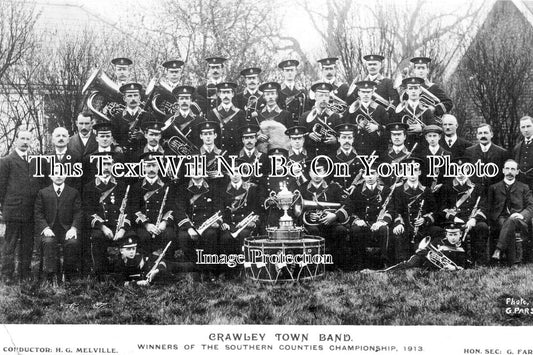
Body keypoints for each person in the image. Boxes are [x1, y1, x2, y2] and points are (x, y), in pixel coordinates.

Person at [0, 130, 44, 283]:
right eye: (22, 139)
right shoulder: (6, 161)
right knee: (10, 243)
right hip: (13, 209)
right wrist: (3, 208)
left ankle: (24, 272)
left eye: (28, 139)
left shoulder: (35, 161)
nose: (25, 142)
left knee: (27, 243)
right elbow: (1, 187)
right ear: (16, 140)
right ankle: (7, 274)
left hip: (30, 210)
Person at [83, 152, 132, 277]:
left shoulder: (121, 185)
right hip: (101, 226)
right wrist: (103, 227)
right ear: (98, 166)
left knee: (131, 236)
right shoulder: (89, 186)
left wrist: (122, 229)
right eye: (103, 164)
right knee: (97, 237)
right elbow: (88, 211)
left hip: (118, 225)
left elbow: (127, 210)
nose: (106, 167)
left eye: (109, 164)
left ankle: (124, 272)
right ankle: (101, 272)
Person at [338, 167, 394, 269]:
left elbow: (391, 209)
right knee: (355, 229)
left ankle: (383, 263)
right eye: (367, 174)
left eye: (372, 173)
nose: (370, 177)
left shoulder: (386, 190)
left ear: (377, 175)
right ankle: (358, 263)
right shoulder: (357, 191)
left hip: (378, 222)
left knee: (384, 229)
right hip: (363, 223)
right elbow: (350, 209)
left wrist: (382, 222)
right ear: (363, 176)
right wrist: (356, 220)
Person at [298, 159, 349, 269]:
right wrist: (307, 216)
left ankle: (337, 265)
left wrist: (335, 215)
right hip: (312, 225)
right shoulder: (302, 188)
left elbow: (348, 204)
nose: (317, 174)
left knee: (341, 231)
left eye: (320, 171)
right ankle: (314, 266)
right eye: (314, 171)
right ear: (309, 172)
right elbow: (297, 209)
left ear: (325, 172)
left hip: (332, 222)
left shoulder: (334, 187)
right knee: (313, 232)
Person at [437, 157, 489, 265]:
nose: (460, 171)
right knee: (453, 229)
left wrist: (474, 219)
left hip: (471, 219)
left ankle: (479, 261)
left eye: (463, 168)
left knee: (482, 227)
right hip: (454, 220)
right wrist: (455, 218)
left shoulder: (477, 186)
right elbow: (442, 209)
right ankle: (458, 261)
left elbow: (484, 206)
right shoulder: (447, 187)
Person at [34, 173, 82, 283]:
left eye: (61, 173)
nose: (58, 176)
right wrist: (45, 228)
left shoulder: (73, 192)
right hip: (50, 230)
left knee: (72, 243)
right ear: (50, 176)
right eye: (55, 173)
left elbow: (78, 213)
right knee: (49, 242)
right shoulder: (43, 192)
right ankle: (51, 276)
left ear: (65, 176)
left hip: (67, 230)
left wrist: (73, 228)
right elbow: (38, 213)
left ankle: (69, 275)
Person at [130, 152, 178, 259]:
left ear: (158, 167)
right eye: (148, 166)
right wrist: (147, 225)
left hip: (162, 223)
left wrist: (164, 223)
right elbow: (134, 209)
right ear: (143, 167)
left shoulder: (167, 185)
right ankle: (147, 264)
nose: (151, 169)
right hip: (145, 225)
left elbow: (172, 207)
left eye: (154, 165)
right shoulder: (137, 187)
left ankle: (167, 264)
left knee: (170, 235)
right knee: (144, 237)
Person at [391, 157, 438, 262]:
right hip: (406, 225)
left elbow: (435, 211)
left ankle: (430, 260)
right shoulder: (399, 190)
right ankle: (402, 263)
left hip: (423, 227)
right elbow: (396, 210)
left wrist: (425, 219)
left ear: (420, 172)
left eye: (415, 170)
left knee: (438, 232)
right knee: (398, 233)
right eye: (409, 170)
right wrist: (399, 223)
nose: (412, 174)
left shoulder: (426, 190)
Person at [489, 159, 533, 265]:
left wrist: (521, 215)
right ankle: (513, 262)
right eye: (507, 168)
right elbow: (489, 207)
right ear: (503, 170)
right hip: (500, 219)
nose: (510, 171)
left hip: (519, 220)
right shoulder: (494, 187)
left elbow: (531, 206)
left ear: (517, 171)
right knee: (509, 223)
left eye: (513, 169)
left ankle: (498, 250)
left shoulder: (524, 187)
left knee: (512, 220)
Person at [378, 222, 469, 271]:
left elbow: (466, 264)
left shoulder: (463, 246)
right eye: (450, 235)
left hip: (430, 267)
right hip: (423, 259)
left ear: (460, 234)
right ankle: (384, 271)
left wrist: (454, 268)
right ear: (446, 235)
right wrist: (423, 251)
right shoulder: (438, 241)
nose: (453, 238)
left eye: (455, 235)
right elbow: (424, 250)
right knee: (408, 265)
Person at [344, 80, 390, 155]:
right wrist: (357, 127)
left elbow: (388, 129)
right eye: (363, 92)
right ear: (359, 93)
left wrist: (377, 127)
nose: (366, 94)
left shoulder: (380, 109)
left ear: (372, 93)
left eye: (368, 92)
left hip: (376, 149)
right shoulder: (351, 109)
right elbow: (345, 128)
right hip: (356, 149)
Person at [299, 82, 342, 158]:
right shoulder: (305, 116)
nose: (324, 99)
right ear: (315, 97)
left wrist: (336, 140)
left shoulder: (335, 117)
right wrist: (308, 136)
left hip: (330, 158)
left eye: (326, 96)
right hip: (311, 157)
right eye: (321, 95)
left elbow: (342, 138)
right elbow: (298, 137)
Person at [206, 82, 247, 156]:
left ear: (233, 94)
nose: (226, 95)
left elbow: (243, 134)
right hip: (218, 152)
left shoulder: (240, 113)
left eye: (228, 92)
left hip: (235, 153)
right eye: (223, 92)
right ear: (219, 94)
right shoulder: (212, 113)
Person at [394, 77, 436, 149]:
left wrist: (422, 129)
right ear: (406, 91)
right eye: (410, 88)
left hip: (423, 147)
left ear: (420, 90)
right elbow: (394, 129)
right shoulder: (400, 110)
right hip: (404, 147)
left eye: (416, 88)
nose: (413, 91)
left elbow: (434, 130)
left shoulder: (427, 110)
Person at [466, 123, 508, 194]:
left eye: (485, 133)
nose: (483, 136)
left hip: (495, 193)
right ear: (477, 136)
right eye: (480, 133)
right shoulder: (469, 152)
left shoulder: (502, 153)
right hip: (475, 193)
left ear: (491, 134)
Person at [111, 82, 152, 153]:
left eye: (135, 95)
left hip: (143, 154)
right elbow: (112, 137)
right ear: (124, 98)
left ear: (139, 98)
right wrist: (116, 147)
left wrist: (144, 136)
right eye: (129, 96)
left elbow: (155, 138)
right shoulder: (117, 117)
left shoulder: (149, 116)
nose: (133, 99)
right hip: (123, 156)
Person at [414, 125, 450, 192]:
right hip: (425, 192)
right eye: (429, 136)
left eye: (434, 136)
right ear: (426, 138)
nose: (432, 139)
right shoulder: (420, 155)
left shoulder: (447, 154)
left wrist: (442, 185)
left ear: (439, 137)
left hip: (442, 192)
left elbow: (450, 176)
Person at [277, 59, 307, 125]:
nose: (290, 73)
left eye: (292, 70)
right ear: (283, 72)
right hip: (283, 125)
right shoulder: (278, 91)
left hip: (299, 125)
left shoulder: (302, 91)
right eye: (287, 70)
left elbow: (306, 110)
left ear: (296, 71)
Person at [513, 115, 533, 191]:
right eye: (523, 127)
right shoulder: (517, 147)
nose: (526, 130)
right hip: (521, 187)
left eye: (528, 126)